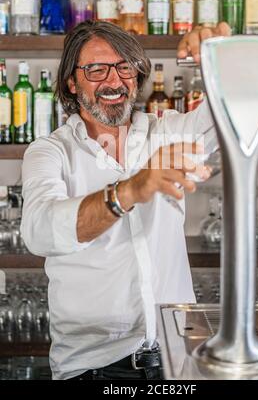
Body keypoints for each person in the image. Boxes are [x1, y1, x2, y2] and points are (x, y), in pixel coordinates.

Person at [21, 20, 228, 381]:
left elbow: (232, 115)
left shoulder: (167, 132)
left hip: (178, 357)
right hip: (92, 367)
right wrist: (130, 190)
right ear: (72, 82)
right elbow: (41, 230)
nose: (114, 81)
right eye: (96, 69)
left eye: (124, 67)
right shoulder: (50, 152)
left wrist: (224, 55)